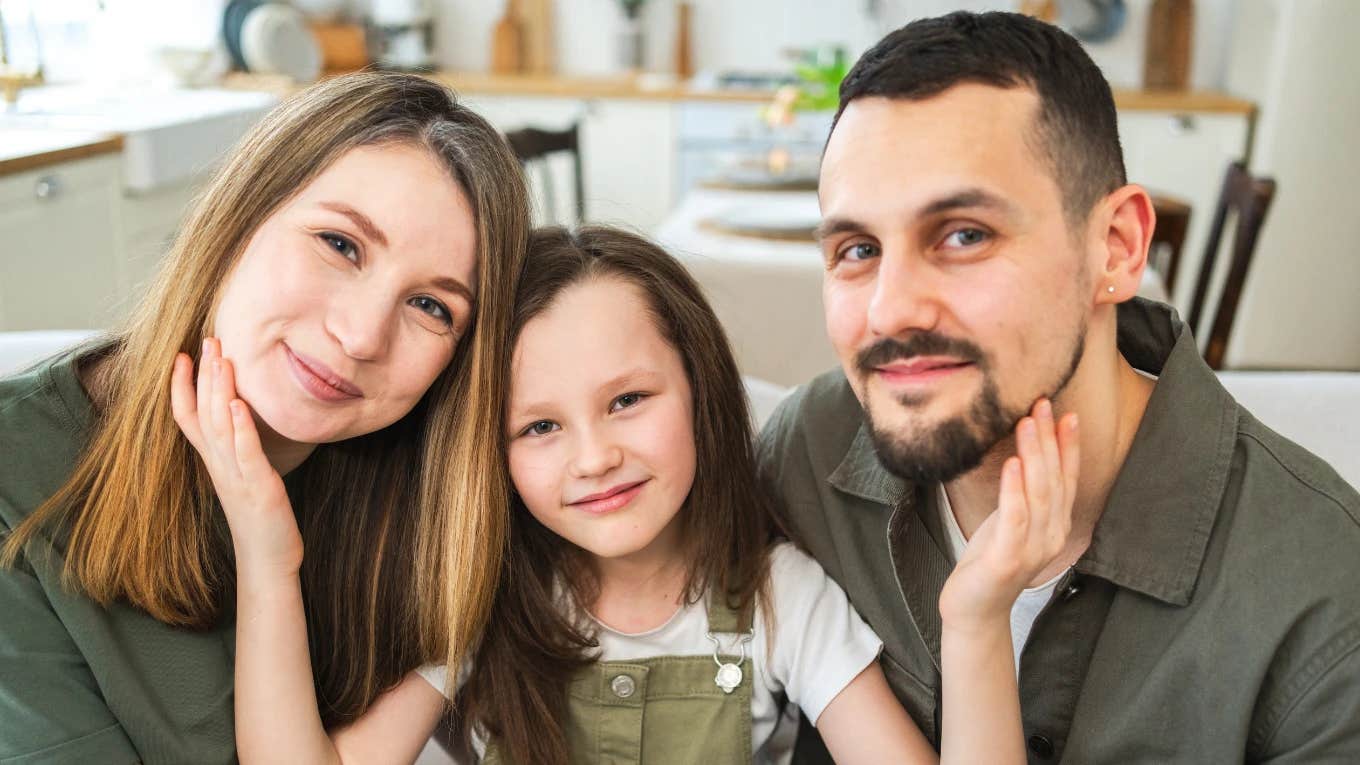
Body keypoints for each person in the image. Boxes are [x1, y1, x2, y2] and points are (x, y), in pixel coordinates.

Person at [198, 225, 1083, 764]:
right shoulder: (483, 596)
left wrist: (975, 618)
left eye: (627, 400)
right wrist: (267, 556)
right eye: (538, 427)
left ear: (701, 388)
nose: (595, 456)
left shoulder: (779, 595)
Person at [756, 11, 1360, 763]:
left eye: (964, 234)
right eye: (857, 249)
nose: (889, 309)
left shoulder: (1324, 603)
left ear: (1116, 246)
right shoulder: (802, 459)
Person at [0, 72, 530, 763]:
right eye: (340, 244)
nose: (363, 335)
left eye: (433, 306)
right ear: (237, 218)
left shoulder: (443, 512)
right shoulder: (18, 485)